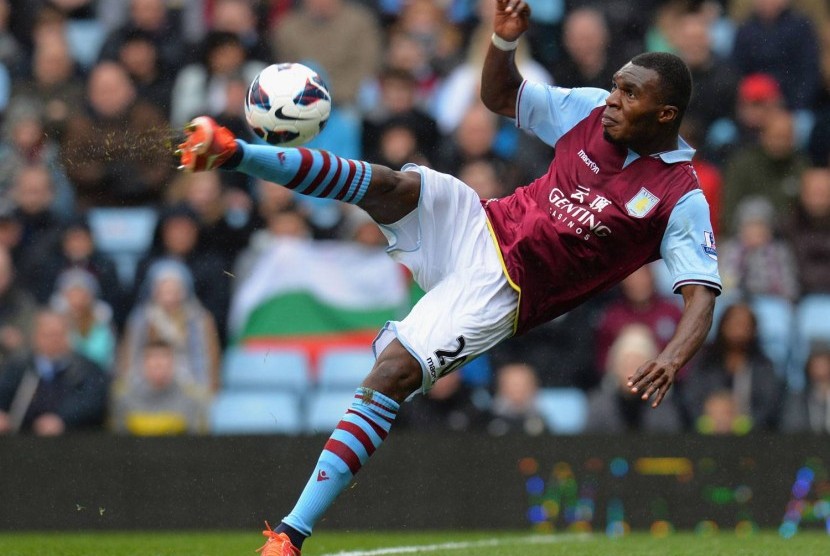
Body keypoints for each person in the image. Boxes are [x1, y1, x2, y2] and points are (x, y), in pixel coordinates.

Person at [175, 2, 721, 553]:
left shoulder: (680, 198)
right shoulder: (588, 111)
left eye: (630, 94)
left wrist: (671, 357)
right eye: (614, 86)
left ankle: (289, 535)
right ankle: (232, 152)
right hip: (481, 222)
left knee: (391, 373)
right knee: (391, 185)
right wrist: (503, 42)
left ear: (665, 114)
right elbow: (501, 97)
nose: (612, 100)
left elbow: (701, 296)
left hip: (505, 292)